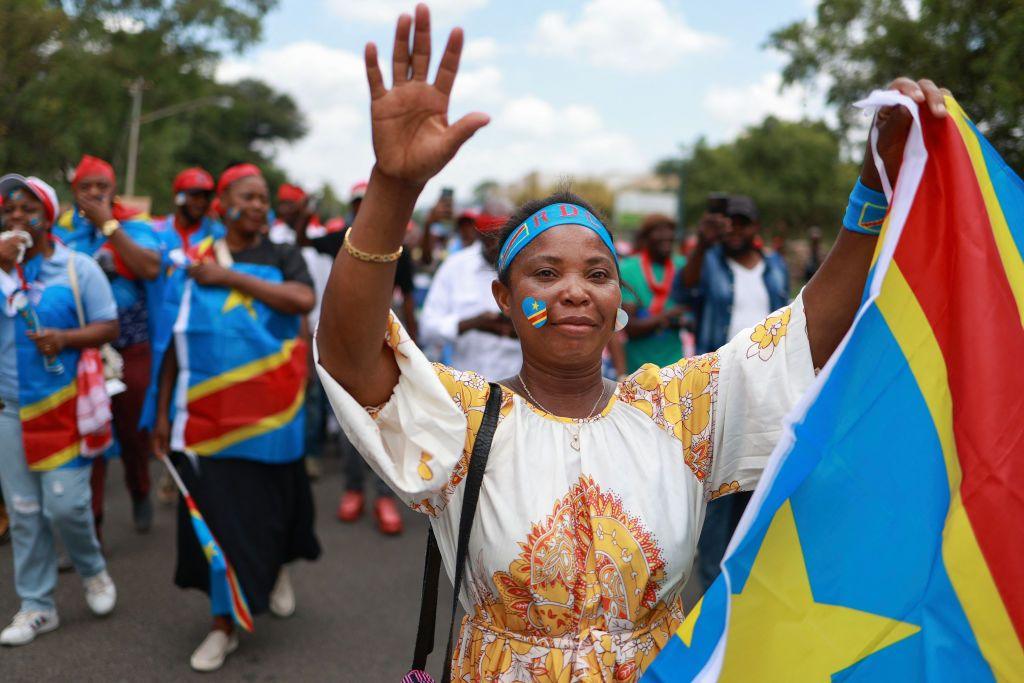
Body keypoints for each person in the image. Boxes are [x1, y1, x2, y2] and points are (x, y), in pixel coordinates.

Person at [314, 7, 948, 679]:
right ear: (505, 300)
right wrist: (394, 186)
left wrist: (873, 190)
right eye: (546, 273)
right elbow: (354, 361)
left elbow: (806, 333)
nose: (575, 291)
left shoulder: (678, 412)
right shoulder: (466, 421)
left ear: (621, 302)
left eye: (598, 274)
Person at [150, 163, 321, 671]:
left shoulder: (281, 254)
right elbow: (175, 343)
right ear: (223, 203)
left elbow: (302, 298)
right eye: (246, 196)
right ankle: (222, 625)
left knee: (273, 512)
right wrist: (161, 415)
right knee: (217, 521)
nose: (257, 204)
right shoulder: (194, 260)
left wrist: (227, 278)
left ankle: (276, 570)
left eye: (263, 197)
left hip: (274, 415)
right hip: (210, 419)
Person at [0, 174, 119, 646]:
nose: (14, 218)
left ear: (48, 218)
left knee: (66, 507)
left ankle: (93, 570)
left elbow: (109, 325)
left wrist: (65, 339)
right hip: (10, 410)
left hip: (64, 408)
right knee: (25, 511)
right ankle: (37, 606)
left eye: (26, 208)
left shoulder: (79, 268)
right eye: (7, 210)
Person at [672, 194, 791, 591]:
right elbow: (684, 293)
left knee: (756, 490)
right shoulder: (709, 261)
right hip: (720, 390)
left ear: (755, 226)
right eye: (729, 223)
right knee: (719, 492)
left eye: (743, 223)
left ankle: (741, 590)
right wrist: (703, 243)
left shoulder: (774, 267)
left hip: (768, 392)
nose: (735, 230)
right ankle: (709, 592)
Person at [54, 155, 162, 535]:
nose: (95, 193)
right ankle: (92, 526)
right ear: (75, 192)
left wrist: (109, 226)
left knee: (133, 431)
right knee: (89, 434)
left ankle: (140, 491)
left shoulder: (135, 224)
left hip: (131, 343)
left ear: (114, 189)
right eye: (87, 187)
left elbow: (150, 267)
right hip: (82, 348)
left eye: (102, 186)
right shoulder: (62, 231)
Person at [307, 181, 415, 534]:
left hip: (387, 342)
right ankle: (353, 490)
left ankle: (385, 495)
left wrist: (415, 349)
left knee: (387, 419)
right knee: (349, 422)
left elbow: (409, 299)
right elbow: (301, 241)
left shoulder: (400, 246)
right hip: (346, 341)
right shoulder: (341, 240)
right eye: (361, 202)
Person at [149, 167, 224, 505]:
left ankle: (188, 467)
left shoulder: (219, 235)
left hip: (200, 334)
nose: (199, 202)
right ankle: (170, 461)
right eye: (193, 194)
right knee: (161, 399)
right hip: (159, 333)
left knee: (196, 398)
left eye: (205, 196)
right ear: (178, 196)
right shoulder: (156, 232)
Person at [268, 182, 337, 480]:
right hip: (282, 326)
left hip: (320, 326)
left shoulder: (320, 239)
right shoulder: (271, 237)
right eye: (282, 204)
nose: (286, 209)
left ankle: (312, 453)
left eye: (291, 204)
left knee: (315, 393)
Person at [419, 218, 521, 380]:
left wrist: (516, 329)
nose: (497, 243)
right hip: (464, 389)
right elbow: (427, 329)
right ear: (480, 235)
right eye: (491, 235)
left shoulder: (529, 266)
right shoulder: (455, 266)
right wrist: (473, 324)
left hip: (518, 390)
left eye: (504, 235)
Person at [619, 213, 687, 373]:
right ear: (645, 238)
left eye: (670, 230)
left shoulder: (682, 266)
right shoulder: (628, 269)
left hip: (675, 367)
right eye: (659, 231)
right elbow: (630, 328)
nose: (667, 236)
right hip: (638, 369)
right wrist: (666, 316)